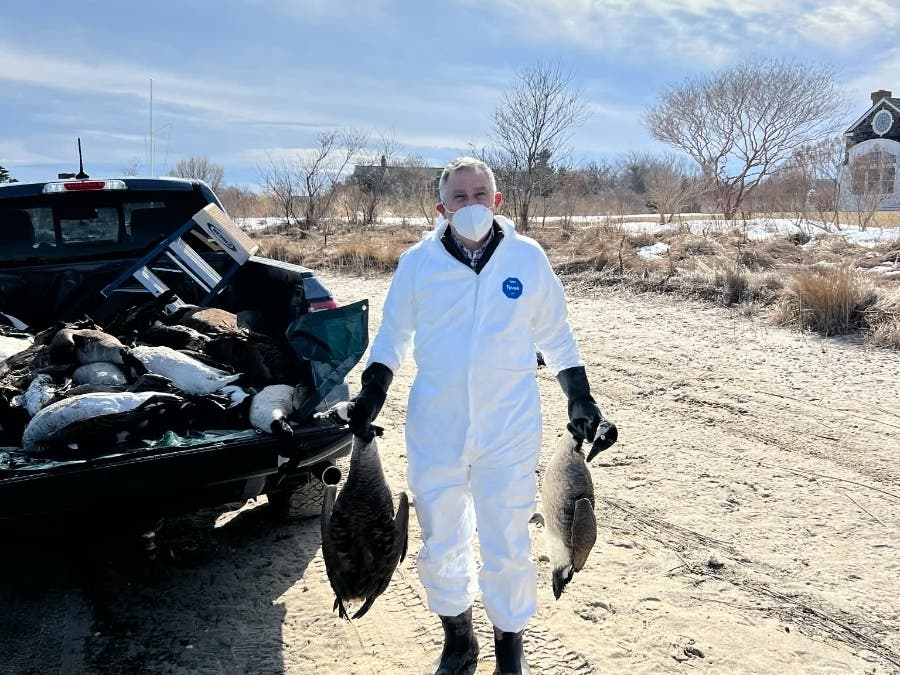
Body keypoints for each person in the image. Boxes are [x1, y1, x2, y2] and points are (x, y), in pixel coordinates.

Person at [348, 156, 617, 675]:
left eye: (480, 195)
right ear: (441, 208)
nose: (471, 205)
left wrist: (580, 397)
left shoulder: (527, 259)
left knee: (508, 542)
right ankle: (458, 642)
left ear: (497, 201)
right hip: (437, 430)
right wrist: (372, 393)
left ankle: (509, 653)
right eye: (459, 197)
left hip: (508, 431)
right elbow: (392, 338)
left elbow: (556, 336)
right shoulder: (418, 264)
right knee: (441, 539)